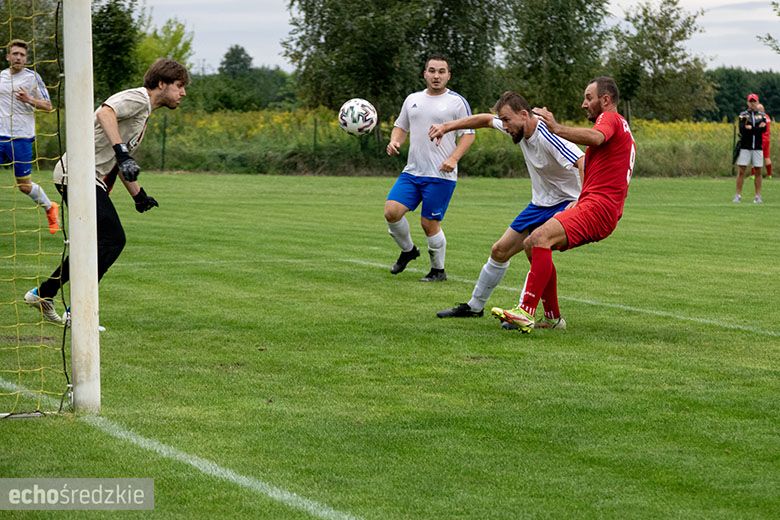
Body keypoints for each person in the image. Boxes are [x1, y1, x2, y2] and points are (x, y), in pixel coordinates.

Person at [24, 58, 189, 324]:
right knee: (113, 239)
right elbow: (105, 112)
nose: (183, 93)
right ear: (162, 83)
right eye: (179, 86)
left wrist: (139, 195)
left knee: (96, 244)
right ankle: (76, 310)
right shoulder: (138, 98)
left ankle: (44, 293)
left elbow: (121, 163)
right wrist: (122, 151)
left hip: (87, 178)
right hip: (77, 174)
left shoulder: (144, 113)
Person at [491, 76, 636, 333]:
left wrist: (556, 127)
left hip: (599, 207)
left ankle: (525, 311)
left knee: (539, 239)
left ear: (606, 100)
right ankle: (553, 318)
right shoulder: (621, 126)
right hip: (597, 206)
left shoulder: (611, 119)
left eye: (588, 98)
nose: (584, 104)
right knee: (531, 244)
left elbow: (596, 138)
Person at [432, 91, 584, 328]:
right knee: (500, 250)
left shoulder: (548, 136)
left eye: (506, 120)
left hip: (566, 202)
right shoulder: (519, 127)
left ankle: (524, 312)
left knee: (535, 246)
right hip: (539, 204)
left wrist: (583, 200)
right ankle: (474, 307)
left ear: (524, 114)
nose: (504, 126)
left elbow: (582, 161)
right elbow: (484, 120)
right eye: (502, 120)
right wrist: (447, 126)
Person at [385, 54, 476, 282]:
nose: (436, 76)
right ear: (424, 73)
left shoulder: (457, 102)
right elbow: (400, 126)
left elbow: (469, 135)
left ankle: (438, 270)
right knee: (391, 212)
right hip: (412, 171)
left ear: (448, 75)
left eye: (441, 71)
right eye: (432, 71)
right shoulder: (412, 99)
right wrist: (395, 141)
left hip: (440, 175)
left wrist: (453, 159)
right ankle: (408, 251)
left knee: (429, 223)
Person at [0, 39, 58, 234]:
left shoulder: (33, 78)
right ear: (8, 56)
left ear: (26, 59)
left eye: (22, 55)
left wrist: (29, 99)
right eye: (15, 54)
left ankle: (50, 207)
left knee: (24, 186)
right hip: (0, 135)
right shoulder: (1, 77)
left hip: (21, 137)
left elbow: (49, 106)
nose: (18, 57)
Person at [733, 93, 766, 204]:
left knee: (758, 171)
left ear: (757, 102)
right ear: (747, 102)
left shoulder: (762, 115)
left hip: (757, 147)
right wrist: (756, 128)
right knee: (741, 171)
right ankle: (738, 195)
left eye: (754, 101)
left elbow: (763, 129)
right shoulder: (743, 115)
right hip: (745, 147)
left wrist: (751, 128)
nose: (752, 103)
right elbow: (743, 130)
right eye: (750, 101)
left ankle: (758, 196)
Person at [758, 103, 772, 179]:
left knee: (757, 155)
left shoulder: (759, 117)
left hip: (761, 138)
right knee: (767, 156)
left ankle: (754, 175)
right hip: (767, 139)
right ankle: (769, 175)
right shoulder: (767, 117)